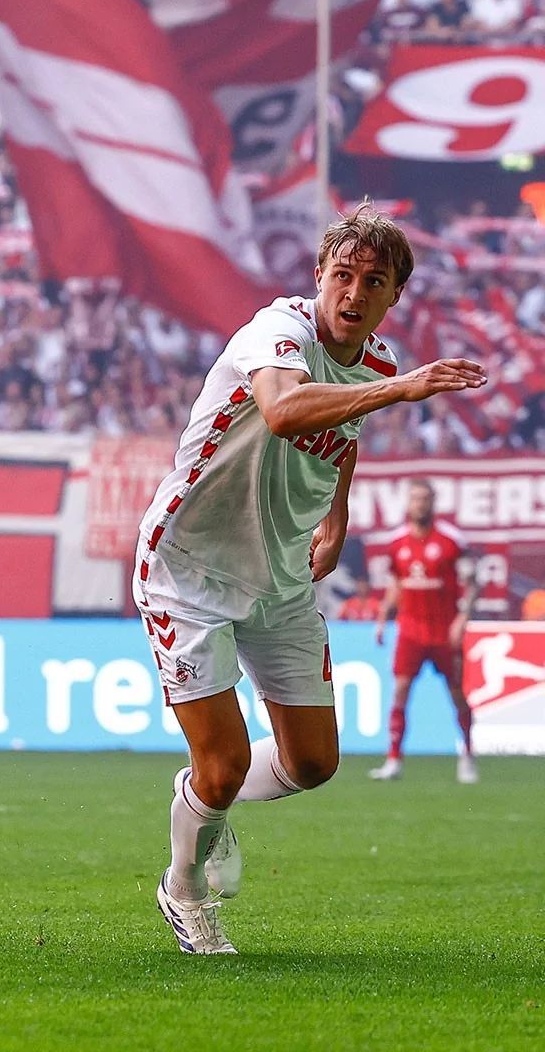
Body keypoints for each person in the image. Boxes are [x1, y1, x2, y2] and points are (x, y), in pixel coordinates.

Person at [135, 204, 486, 954]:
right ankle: (186, 887)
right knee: (225, 765)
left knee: (314, 763)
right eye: (343, 276)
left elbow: (342, 435)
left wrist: (339, 510)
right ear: (319, 277)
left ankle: (202, 796)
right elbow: (287, 411)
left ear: (394, 296)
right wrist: (401, 391)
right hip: (187, 565)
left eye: (374, 282)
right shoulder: (277, 332)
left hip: (281, 575)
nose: (353, 293)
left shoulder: (381, 361)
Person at [369, 479, 481, 784]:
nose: (420, 504)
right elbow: (396, 584)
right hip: (410, 630)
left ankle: (468, 755)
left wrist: (462, 620)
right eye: (415, 499)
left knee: (457, 694)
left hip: (445, 631)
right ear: (408, 504)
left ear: (434, 502)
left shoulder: (451, 541)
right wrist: (382, 618)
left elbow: (472, 583)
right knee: (401, 692)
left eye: (425, 499)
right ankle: (393, 759)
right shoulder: (397, 543)